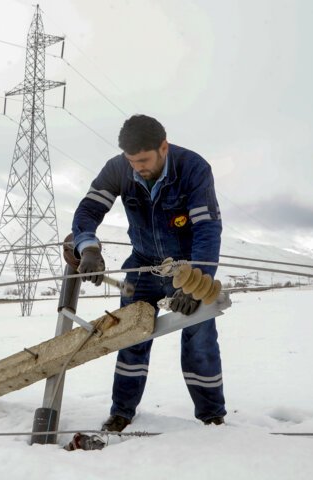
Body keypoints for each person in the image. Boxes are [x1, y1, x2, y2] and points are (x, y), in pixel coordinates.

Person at [71, 114, 226, 431]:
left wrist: (194, 282)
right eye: (132, 161)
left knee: (200, 337)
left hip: (186, 266)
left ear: (163, 147)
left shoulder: (193, 169)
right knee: (130, 335)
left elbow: (208, 229)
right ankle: (121, 412)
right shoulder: (118, 168)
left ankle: (212, 416)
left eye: (143, 160)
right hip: (142, 265)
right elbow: (87, 210)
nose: (137, 167)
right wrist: (88, 248)